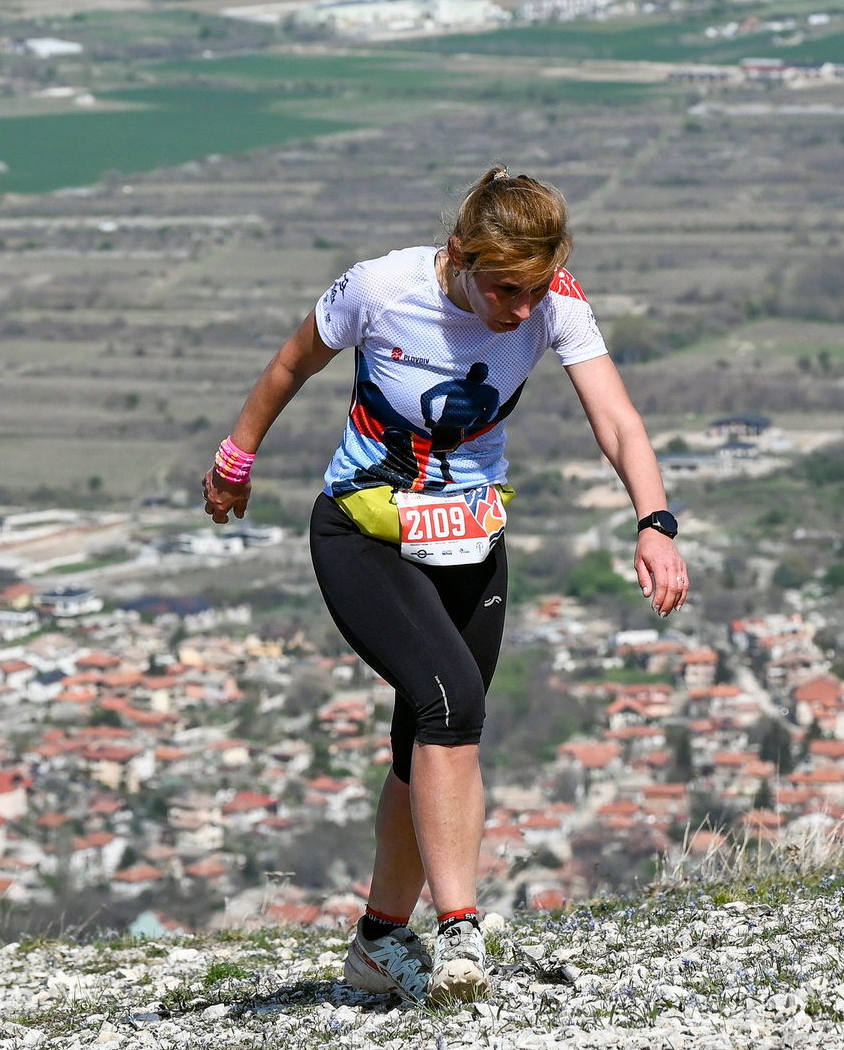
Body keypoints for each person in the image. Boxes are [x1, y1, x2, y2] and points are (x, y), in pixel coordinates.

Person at [203, 167, 688, 1004]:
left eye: (536, 291)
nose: (523, 310)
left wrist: (655, 523)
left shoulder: (556, 300)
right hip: (365, 531)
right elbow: (291, 364)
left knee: (419, 743)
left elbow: (617, 419)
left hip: (470, 542)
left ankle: (379, 941)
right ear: (459, 257)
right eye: (505, 290)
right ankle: (461, 930)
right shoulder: (382, 288)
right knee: (451, 705)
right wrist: (236, 459)